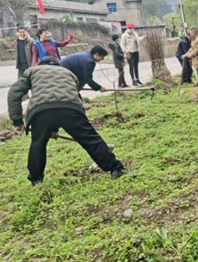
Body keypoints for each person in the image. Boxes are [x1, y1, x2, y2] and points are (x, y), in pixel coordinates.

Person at [8, 57, 125, 185]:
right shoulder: (68, 73)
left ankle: (36, 179)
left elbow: (14, 93)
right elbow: (74, 96)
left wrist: (17, 121)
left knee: (38, 145)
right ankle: (116, 168)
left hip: (41, 111)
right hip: (71, 109)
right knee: (91, 139)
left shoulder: (32, 71)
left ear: (39, 64)